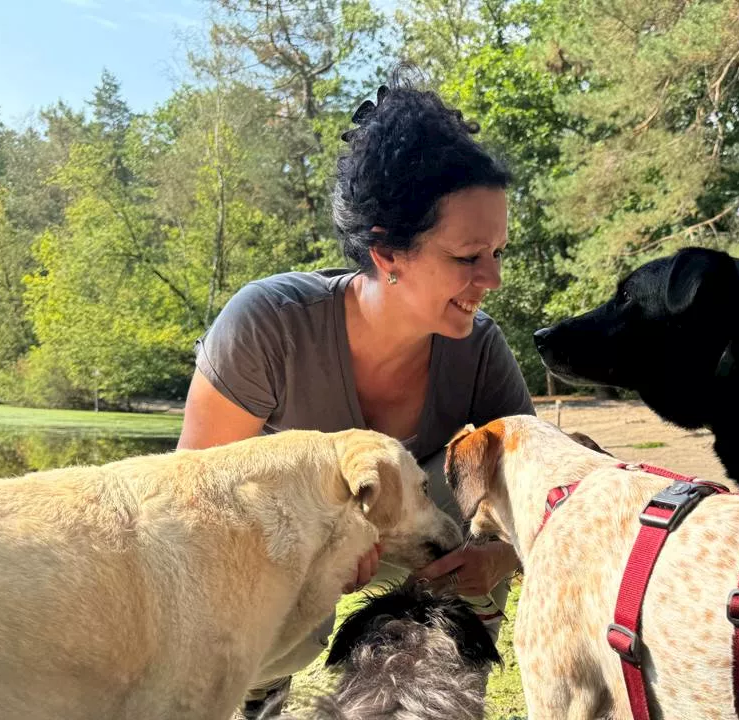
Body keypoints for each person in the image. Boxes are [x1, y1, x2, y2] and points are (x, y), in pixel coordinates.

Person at [176, 74, 536, 719]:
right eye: (468, 256)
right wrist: (317, 548)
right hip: (280, 547)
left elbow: (538, 501)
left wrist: (495, 557)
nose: (494, 279)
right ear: (387, 252)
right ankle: (259, 692)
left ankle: (427, 704)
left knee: (474, 494)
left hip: (427, 553)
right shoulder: (267, 323)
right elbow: (189, 502)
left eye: (499, 252)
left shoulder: (480, 349)